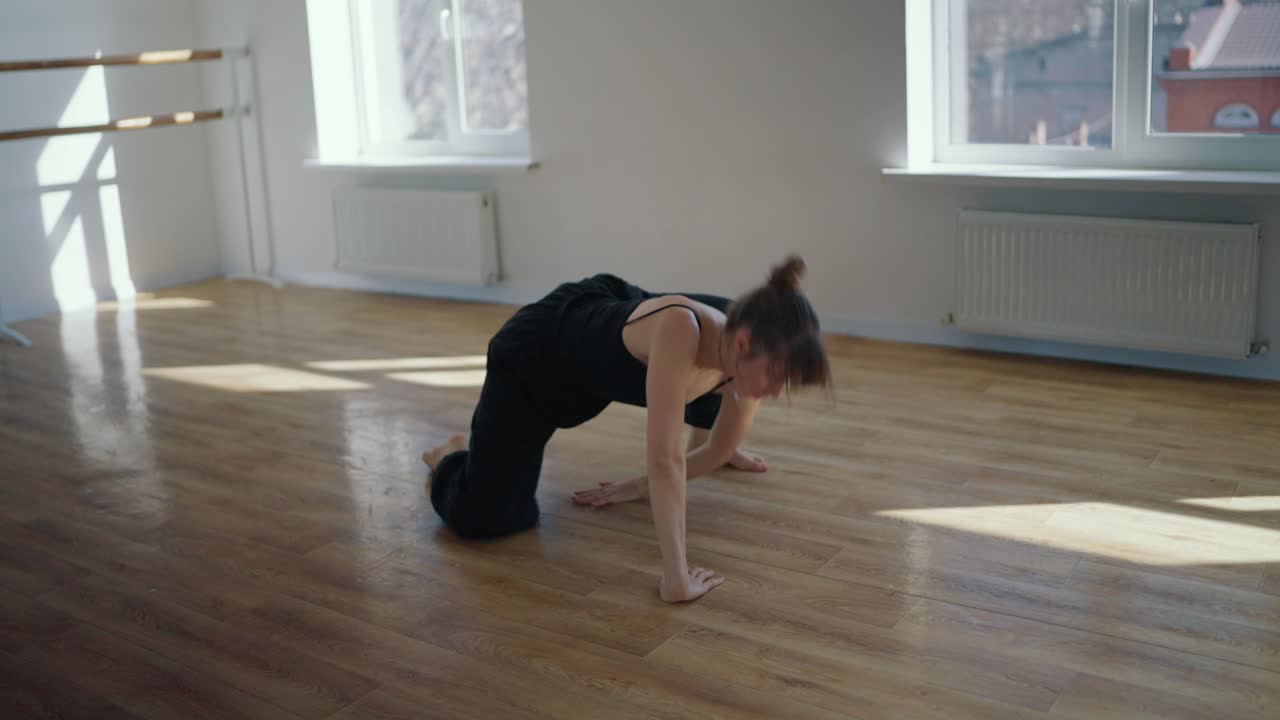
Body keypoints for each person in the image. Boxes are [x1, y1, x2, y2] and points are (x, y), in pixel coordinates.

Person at [422, 255, 832, 602]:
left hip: (611, 332)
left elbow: (716, 453)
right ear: (743, 344)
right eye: (778, 378)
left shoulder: (741, 346)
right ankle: (452, 452)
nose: (778, 393)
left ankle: (703, 410)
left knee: (722, 389)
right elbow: (666, 462)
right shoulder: (681, 329)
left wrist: (635, 487)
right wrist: (676, 578)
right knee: (488, 518)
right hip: (539, 356)